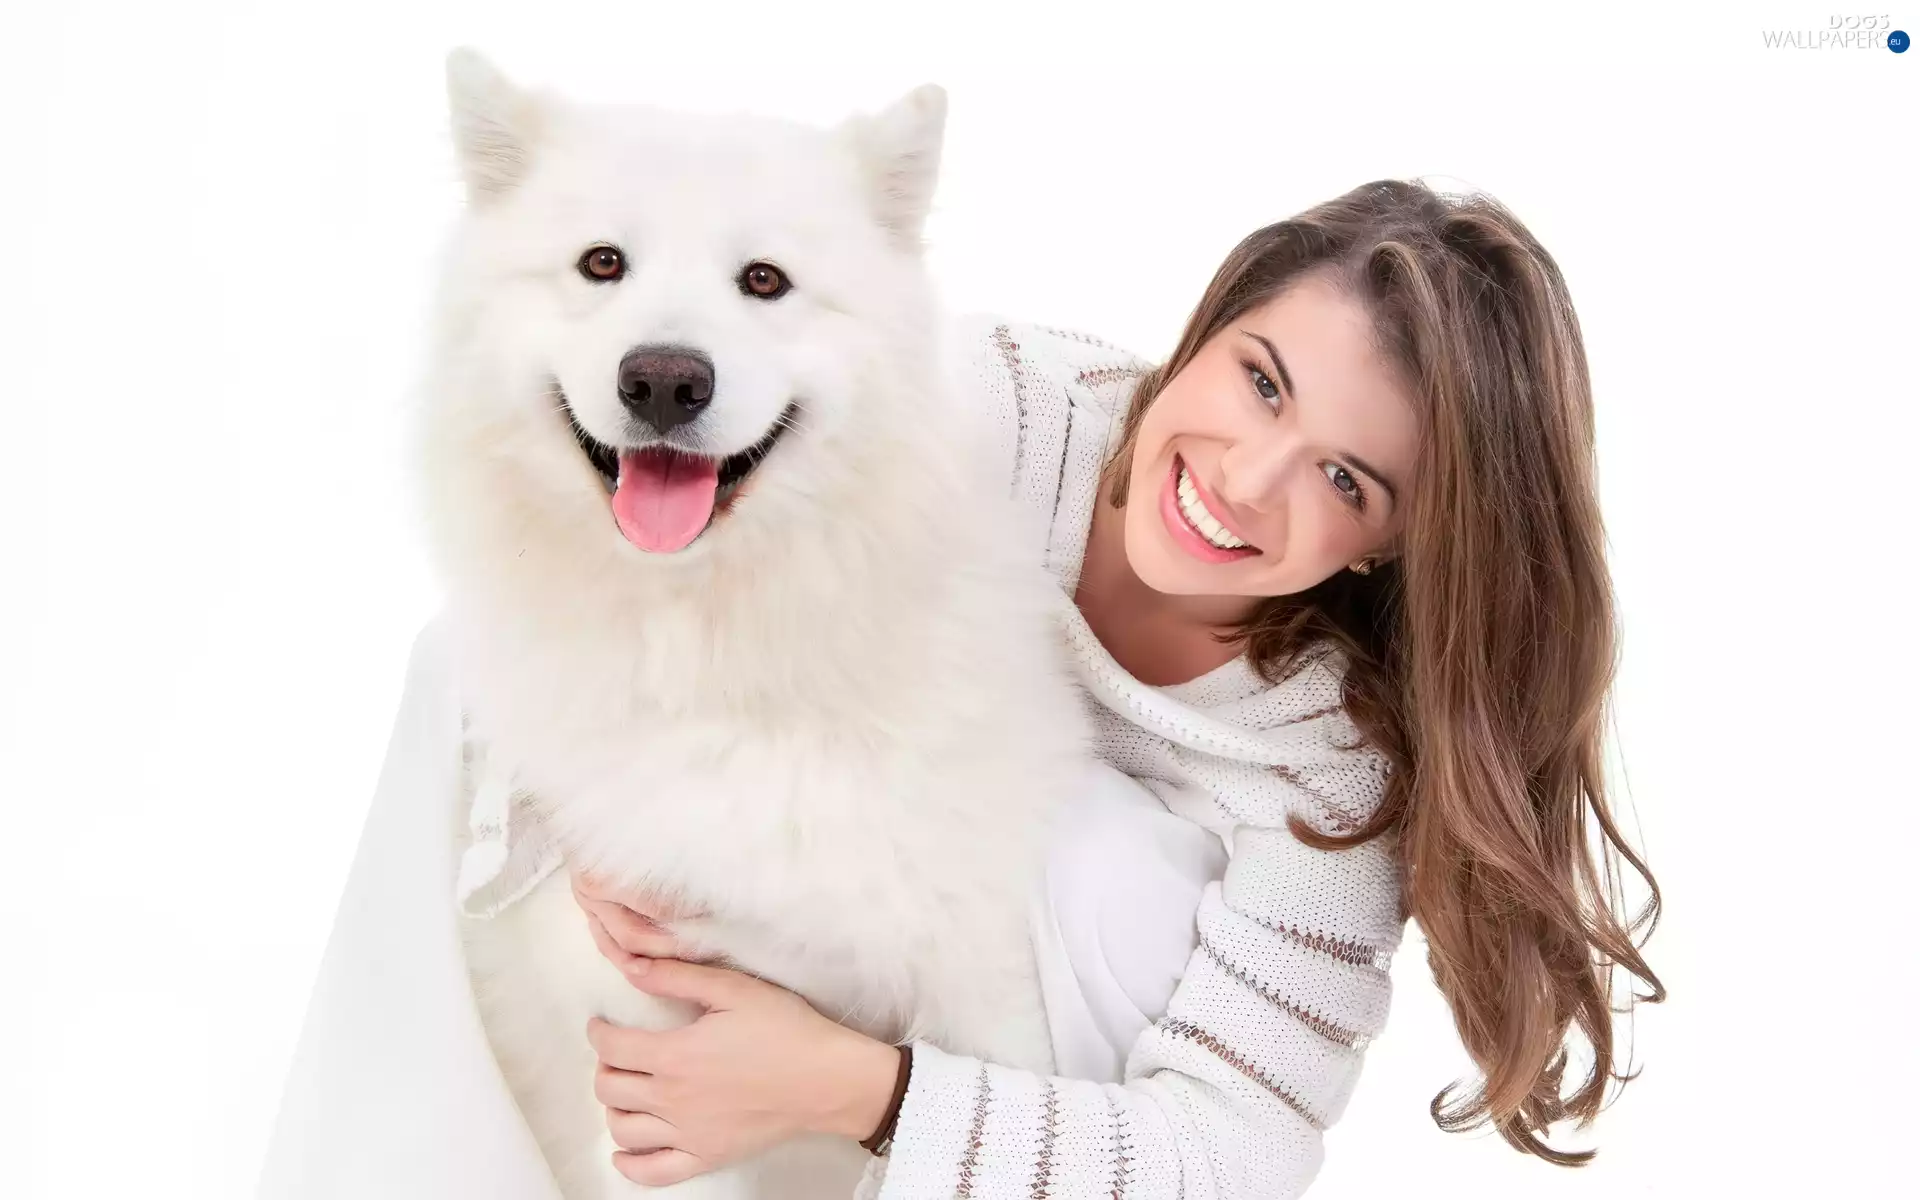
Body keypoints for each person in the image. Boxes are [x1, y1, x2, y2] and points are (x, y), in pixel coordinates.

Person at [545, 179, 1665, 1198]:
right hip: (754, 927)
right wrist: (588, 805)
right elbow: (634, 564)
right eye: (1261, 382)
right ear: (1206, 329)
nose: (1246, 479)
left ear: (1397, 540)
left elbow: (1233, 1154)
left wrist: (858, 1090)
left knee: (1096, 853)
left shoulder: (1326, 769)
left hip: (960, 1112)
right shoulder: (991, 413)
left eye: (1343, 479)